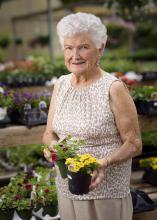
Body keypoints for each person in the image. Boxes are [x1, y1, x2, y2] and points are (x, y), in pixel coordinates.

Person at [43, 12, 142, 220]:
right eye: (69, 48)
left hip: (105, 194)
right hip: (67, 188)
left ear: (101, 48)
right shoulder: (60, 85)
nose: (75, 55)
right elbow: (49, 133)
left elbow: (134, 144)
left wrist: (103, 162)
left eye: (83, 47)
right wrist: (53, 149)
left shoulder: (113, 88)